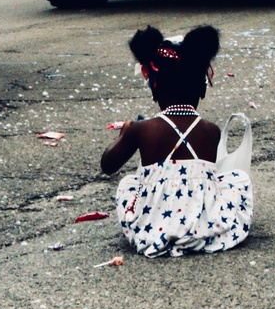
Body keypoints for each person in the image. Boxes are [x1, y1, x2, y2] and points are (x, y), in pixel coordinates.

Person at [100, 25, 252, 258]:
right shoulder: (210, 131)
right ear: (202, 89)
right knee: (237, 179)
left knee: (128, 184)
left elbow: (108, 165)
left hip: (154, 226)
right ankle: (199, 230)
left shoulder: (141, 130)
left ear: (154, 89)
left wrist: (124, 134)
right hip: (201, 225)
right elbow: (204, 183)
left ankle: (158, 228)